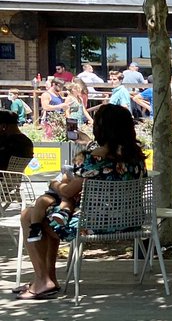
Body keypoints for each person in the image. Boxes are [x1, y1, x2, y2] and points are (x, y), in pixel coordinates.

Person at [11, 104, 147, 300]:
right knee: (43, 214)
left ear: (101, 128)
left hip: (93, 225)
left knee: (30, 215)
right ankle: (46, 280)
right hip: (130, 221)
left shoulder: (95, 159)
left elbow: (68, 190)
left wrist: (54, 184)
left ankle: (44, 280)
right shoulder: (137, 158)